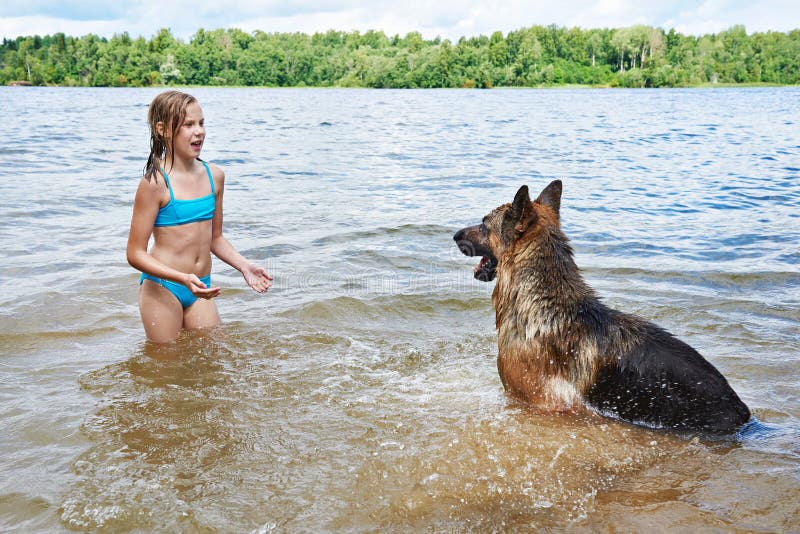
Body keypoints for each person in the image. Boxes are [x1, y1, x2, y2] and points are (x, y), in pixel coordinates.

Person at [127, 90, 272, 343]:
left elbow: (215, 238)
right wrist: (182, 278)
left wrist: (244, 266)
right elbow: (135, 253)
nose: (199, 131)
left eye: (202, 123)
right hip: (163, 287)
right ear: (163, 129)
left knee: (209, 363)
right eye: (188, 125)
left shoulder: (214, 176)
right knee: (164, 369)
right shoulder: (155, 183)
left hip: (201, 288)